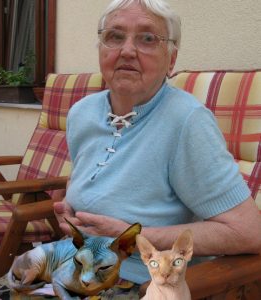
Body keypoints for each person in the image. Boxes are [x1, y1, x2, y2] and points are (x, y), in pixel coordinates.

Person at [54, 0, 261, 286]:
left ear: (171, 59)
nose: (127, 50)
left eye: (148, 39)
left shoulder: (186, 122)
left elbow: (248, 232)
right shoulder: (81, 112)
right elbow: (88, 173)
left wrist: (134, 235)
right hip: (72, 261)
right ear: (101, 49)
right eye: (115, 36)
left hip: (138, 282)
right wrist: (70, 204)